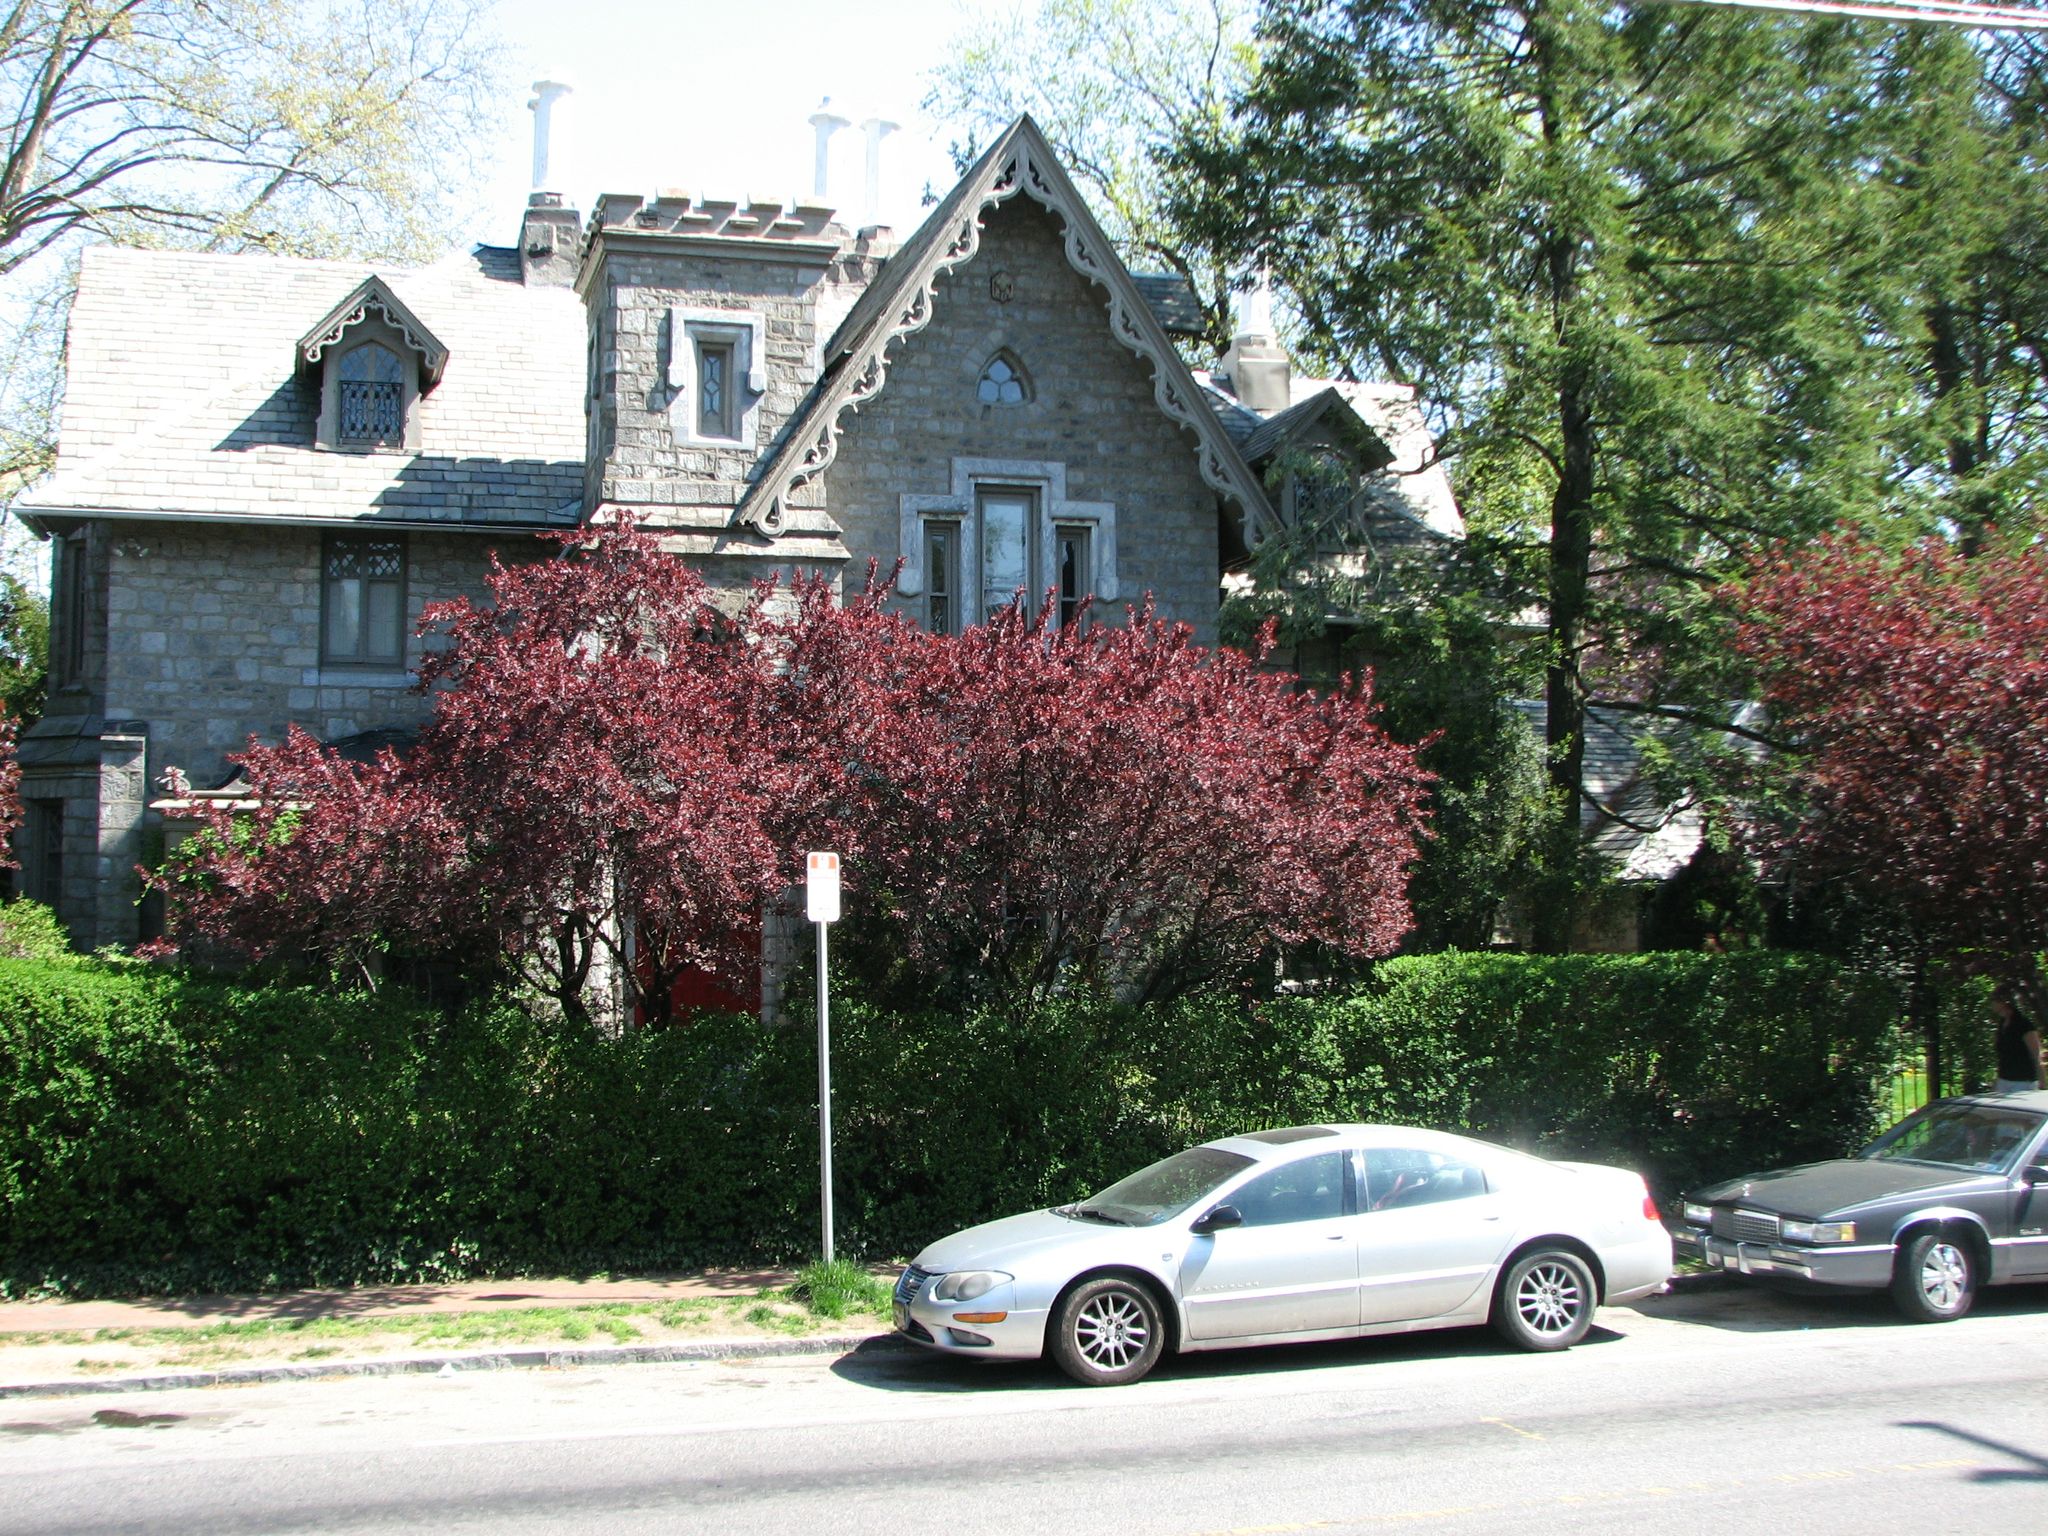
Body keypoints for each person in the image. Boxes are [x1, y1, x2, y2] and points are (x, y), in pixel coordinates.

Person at [1990, 988, 2045, 1095]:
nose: (1992, 1003)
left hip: (2023, 1082)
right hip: (2004, 1080)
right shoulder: (2002, 1024)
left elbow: (2036, 1054)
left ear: (2004, 1002)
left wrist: (2042, 1082)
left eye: (1994, 1000)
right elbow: (2003, 1056)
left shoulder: (2024, 1024)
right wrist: (1997, 1079)